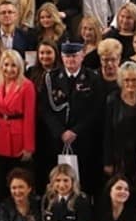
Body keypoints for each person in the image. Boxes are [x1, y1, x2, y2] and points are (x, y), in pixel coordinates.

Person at [41, 42, 106, 194]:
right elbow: (45, 109)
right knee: (57, 181)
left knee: (84, 181)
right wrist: (60, 132)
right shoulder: (51, 78)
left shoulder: (93, 78)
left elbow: (96, 110)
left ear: (82, 56)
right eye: (67, 56)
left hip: (83, 140)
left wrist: (76, 131)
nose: (70, 60)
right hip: (57, 140)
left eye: (74, 56)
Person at [103, 62, 136, 185]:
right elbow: (107, 132)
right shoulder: (112, 100)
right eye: (127, 80)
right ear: (121, 81)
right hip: (119, 156)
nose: (130, 83)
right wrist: (107, 161)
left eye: (134, 80)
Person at [0, 49, 36, 171]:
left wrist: (29, 147)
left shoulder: (27, 86)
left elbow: (29, 118)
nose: (9, 69)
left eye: (13, 65)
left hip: (17, 139)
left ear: (19, 67)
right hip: (0, 136)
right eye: (6, 65)